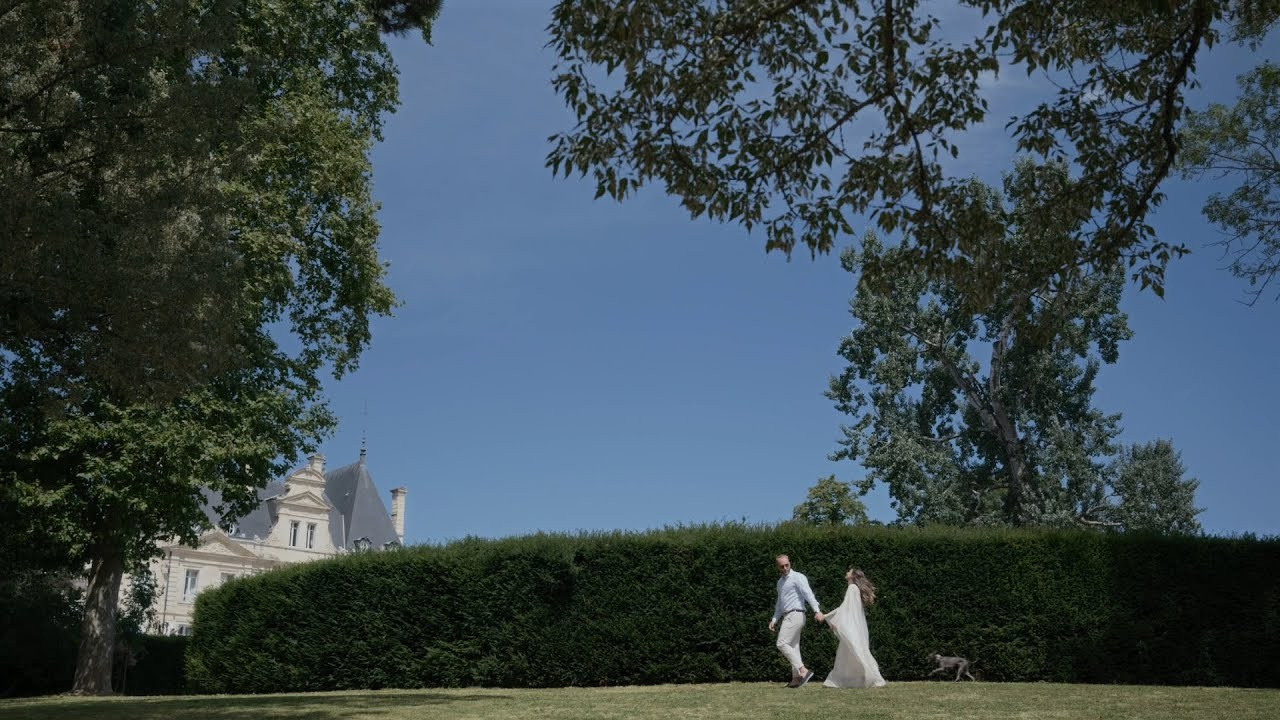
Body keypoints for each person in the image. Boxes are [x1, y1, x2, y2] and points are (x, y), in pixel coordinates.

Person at [817, 568, 887, 688]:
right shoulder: (854, 589)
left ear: (853, 576)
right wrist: (827, 616)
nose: (846, 572)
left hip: (851, 627)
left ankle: (874, 678)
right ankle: (838, 681)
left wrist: (832, 619)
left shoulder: (852, 588)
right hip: (853, 626)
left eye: (849, 571)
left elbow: (844, 607)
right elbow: (845, 608)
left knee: (857, 651)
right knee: (847, 653)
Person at [768, 554, 821, 688]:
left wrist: (817, 610)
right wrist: (774, 619)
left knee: (781, 643)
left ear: (790, 563)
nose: (785, 568)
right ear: (777, 567)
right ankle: (796, 678)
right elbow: (779, 604)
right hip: (788, 616)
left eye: (787, 565)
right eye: (782, 566)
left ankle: (803, 670)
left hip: (796, 614)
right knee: (793, 647)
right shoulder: (780, 582)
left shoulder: (798, 577)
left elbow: (808, 594)